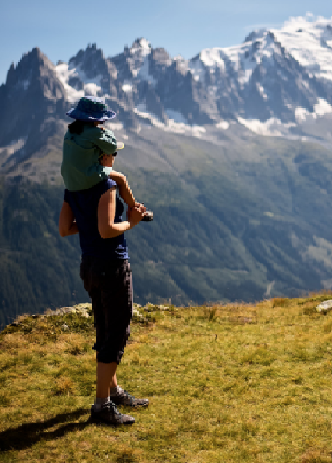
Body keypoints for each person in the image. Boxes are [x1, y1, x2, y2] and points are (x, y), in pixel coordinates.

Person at [59, 98, 150, 426]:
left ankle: (112, 392)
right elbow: (108, 229)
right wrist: (132, 224)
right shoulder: (105, 186)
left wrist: (88, 218)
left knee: (103, 327)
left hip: (89, 266)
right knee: (116, 333)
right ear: (103, 156)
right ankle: (101, 406)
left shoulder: (73, 188)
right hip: (111, 265)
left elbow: (64, 229)